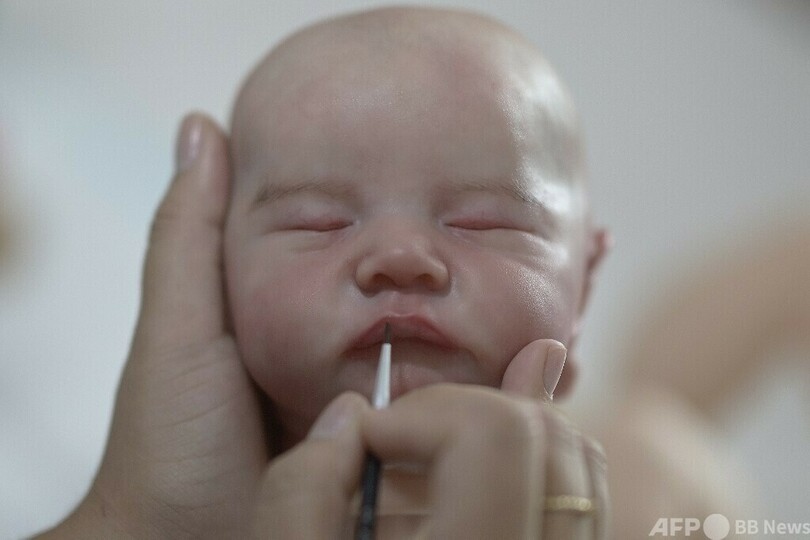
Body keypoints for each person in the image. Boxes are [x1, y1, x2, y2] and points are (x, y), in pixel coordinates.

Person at [36, 6, 610, 538]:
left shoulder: (638, 480)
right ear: (218, 272)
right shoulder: (179, 495)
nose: (399, 258)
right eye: (318, 223)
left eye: (480, 222)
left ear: (586, 279)